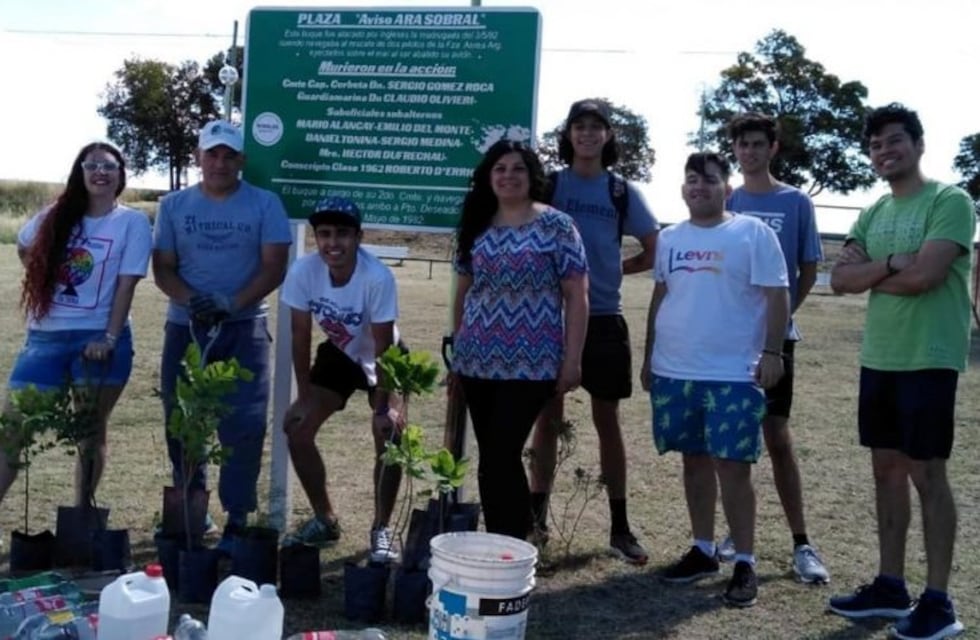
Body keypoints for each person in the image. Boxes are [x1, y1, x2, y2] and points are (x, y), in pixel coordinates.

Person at [828, 104, 973, 640]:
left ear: (917, 143)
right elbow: (839, 281)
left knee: (926, 474)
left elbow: (927, 277)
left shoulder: (950, 201)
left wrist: (870, 275)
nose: (884, 151)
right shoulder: (873, 213)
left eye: (894, 141)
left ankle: (938, 602)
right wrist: (891, 265)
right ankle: (890, 586)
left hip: (929, 358)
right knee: (885, 470)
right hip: (880, 358)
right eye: (875, 146)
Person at [642, 152, 789, 608]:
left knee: (734, 467)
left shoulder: (752, 233)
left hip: (732, 374)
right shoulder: (669, 239)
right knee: (693, 461)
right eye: (690, 180)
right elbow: (660, 295)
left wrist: (772, 352)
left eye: (708, 179)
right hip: (675, 370)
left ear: (727, 189)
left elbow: (777, 294)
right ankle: (703, 549)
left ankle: (745, 560)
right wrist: (649, 357)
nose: (698, 187)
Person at [528, 99, 658, 564]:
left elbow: (653, 246)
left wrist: (615, 269)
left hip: (604, 317)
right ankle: (535, 522)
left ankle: (620, 528)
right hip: (549, 318)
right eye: (578, 126)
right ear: (569, 135)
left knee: (609, 423)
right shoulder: (551, 184)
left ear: (607, 135)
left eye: (595, 126)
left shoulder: (623, 192)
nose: (586, 134)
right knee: (547, 420)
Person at [152, 120, 292, 553]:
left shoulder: (265, 204)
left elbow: (274, 266)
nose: (219, 162)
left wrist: (233, 302)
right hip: (186, 328)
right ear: (198, 157)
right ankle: (193, 509)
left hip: (244, 329)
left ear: (241, 161)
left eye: (229, 155)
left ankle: (237, 517)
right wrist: (192, 300)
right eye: (211, 153)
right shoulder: (173, 206)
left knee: (244, 425)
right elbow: (163, 267)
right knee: (182, 423)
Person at [707, 112, 829, 584]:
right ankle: (739, 535)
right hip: (727, 345)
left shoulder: (795, 202)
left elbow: (808, 269)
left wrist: (775, 329)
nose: (751, 152)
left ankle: (802, 543)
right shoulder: (726, 198)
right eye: (743, 145)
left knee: (777, 438)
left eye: (759, 144)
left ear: (772, 149)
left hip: (775, 346)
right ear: (734, 150)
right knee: (732, 445)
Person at [0, 142, 151, 511]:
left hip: (98, 340)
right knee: (12, 431)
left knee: (89, 430)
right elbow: (25, 247)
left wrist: (110, 337)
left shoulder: (131, 223)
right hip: (44, 339)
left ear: (121, 174)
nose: (101, 172)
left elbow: (126, 284)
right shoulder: (57, 214)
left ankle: (82, 515)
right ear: (79, 172)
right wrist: (41, 278)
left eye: (109, 166)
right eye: (92, 165)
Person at [451, 139, 588, 541]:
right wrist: (458, 356)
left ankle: (513, 541)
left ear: (532, 177)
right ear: (488, 177)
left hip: (533, 362)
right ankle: (507, 540)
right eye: (500, 169)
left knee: (500, 454)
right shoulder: (477, 224)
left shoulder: (556, 225)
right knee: (491, 459)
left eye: (518, 169)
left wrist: (572, 359)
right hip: (477, 361)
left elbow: (577, 296)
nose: (508, 176)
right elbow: (462, 294)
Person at [279, 196, 405, 562]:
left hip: (384, 355)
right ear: (316, 238)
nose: (334, 243)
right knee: (298, 430)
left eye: (343, 234)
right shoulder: (303, 271)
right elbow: (300, 335)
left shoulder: (377, 277)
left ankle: (381, 529)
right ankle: (325, 519)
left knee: (390, 435)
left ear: (359, 237)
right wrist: (303, 396)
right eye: (325, 234)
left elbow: (384, 345)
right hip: (338, 353)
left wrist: (383, 406)